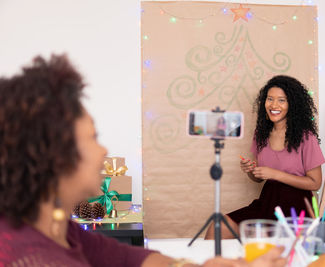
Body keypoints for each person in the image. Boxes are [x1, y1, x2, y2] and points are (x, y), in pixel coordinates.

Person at [0, 54, 286, 267]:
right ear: (53, 155)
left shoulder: (59, 229)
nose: (103, 151)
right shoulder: (32, 259)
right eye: (92, 138)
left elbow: (127, 258)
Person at [205, 75, 325, 239]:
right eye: (270, 99)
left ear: (293, 104)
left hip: (295, 209)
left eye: (281, 100)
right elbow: (259, 179)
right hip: (267, 201)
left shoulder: (306, 137)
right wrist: (251, 171)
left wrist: (275, 174)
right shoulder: (261, 134)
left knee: (270, 249)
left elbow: (315, 183)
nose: (274, 105)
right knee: (217, 227)